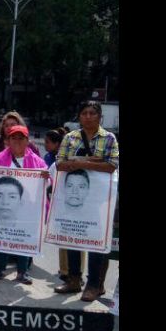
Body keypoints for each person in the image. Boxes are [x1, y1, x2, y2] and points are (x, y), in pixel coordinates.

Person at [54, 100, 119, 302]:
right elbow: (59, 164)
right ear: (79, 116)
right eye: (84, 113)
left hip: (99, 202)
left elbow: (112, 165)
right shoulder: (70, 138)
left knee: (95, 241)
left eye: (92, 113)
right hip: (73, 199)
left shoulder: (109, 138)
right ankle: (74, 279)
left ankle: (93, 285)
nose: (88, 116)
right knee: (73, 236)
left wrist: (80, 162)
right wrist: (95, 161)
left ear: (100, 116)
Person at [0, 125, 48, 285]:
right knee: (2, 235)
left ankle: (22, 271)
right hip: (5, 208)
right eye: (14, 138)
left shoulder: (37, 161)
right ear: (8, 141)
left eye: (21, 138)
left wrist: (47, 176)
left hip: (26, 209)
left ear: (27, 141)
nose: (17, 141)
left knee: (23, 239)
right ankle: (0, 268)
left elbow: (48, 182)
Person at [43, 127, 79, 282]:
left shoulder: (85, 162)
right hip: (63, 206)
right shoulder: (58, 162)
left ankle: (76, 274)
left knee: (78, 242)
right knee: (64, 239)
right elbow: (47, 175)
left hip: (78, 208)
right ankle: (66, 271)